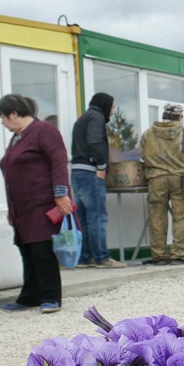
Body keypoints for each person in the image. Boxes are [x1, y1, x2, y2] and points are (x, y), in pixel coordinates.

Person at [0, 94, 71, 314]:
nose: (2, 122)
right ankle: (30, 296)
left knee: (42, 249)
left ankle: (51, 297)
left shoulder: (44, 131)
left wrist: (60, 193)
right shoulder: (18, 137)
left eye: (3, 117)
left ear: (14, 114)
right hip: (22, 207)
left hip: (42, 203)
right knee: (27, 249)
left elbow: (58, 161)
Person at [70, 92, 124, 268]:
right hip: (90, 173)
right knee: (98, 217)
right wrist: (101, 166)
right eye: (113, 107)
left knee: (83, 219)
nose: (113, 111)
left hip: (77, 172)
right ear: (105, 105)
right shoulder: (96, 117)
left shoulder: (82, 118)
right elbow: (94, 142)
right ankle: (102, 257)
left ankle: (84, 258)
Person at [140, 104, 184, 264]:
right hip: (179, 179)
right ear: (180, 117)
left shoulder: (148, 134)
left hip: (155, 179)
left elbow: (142, 154)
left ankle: (158, 255)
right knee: (181, 217)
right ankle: (178, 255)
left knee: (156, 217)